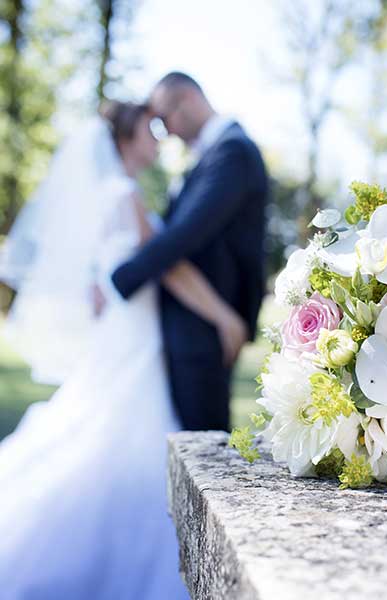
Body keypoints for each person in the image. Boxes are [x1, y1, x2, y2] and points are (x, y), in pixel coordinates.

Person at [0, 101, 246, 599]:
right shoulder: (124, 194)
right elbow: (170, 267)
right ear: (125, 141)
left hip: (128, 335)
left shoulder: (106, 196)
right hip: (134, 342)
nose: (156, 140)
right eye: (148, 133)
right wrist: (225, 316)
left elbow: (101, 273)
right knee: (125, 441)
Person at [111, 72, 268, 432]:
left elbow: (186, 235)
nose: (165, 132)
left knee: (206, 448)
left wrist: (124, 276)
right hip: (193, 324)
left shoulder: (234, 151)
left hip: (203, 330)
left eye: (164, 120)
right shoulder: (211, 155)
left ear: (189, 101)